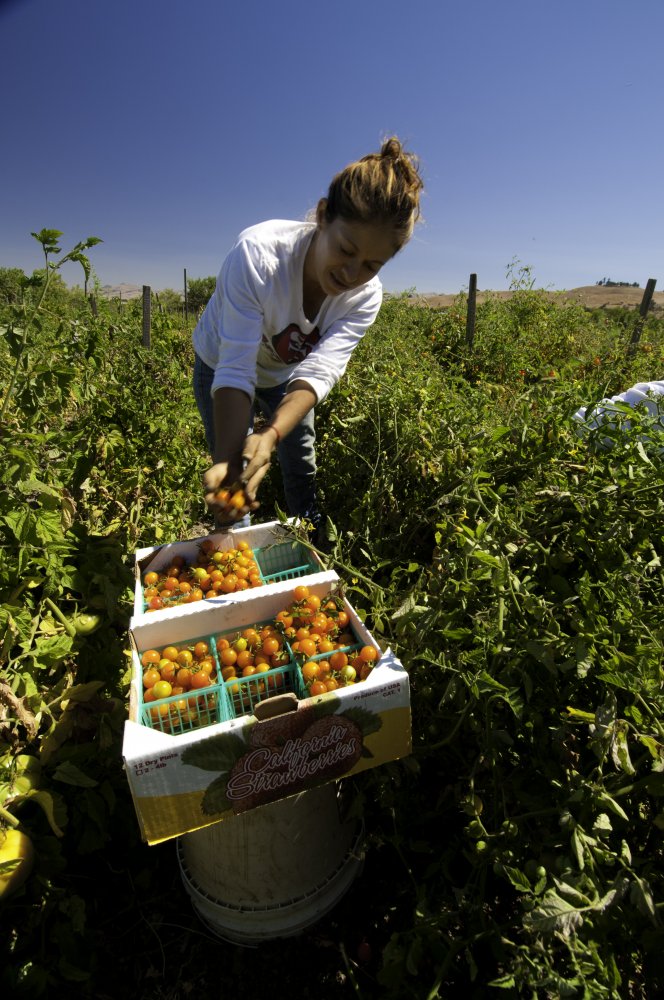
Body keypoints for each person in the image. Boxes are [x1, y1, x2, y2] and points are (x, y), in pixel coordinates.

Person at [192, 137, 424, 539]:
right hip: (221, 366)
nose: (352, 274)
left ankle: (306, 529)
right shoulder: (260, 256)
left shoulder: (365, 296)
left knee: (298, 452)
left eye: (371, 264)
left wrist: (270, 433)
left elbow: (320, 371)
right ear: (321, 216)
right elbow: (235, 367)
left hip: (288, 371)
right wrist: (231, 461)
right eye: (346, 249)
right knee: (234, 473)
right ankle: (235, 546)